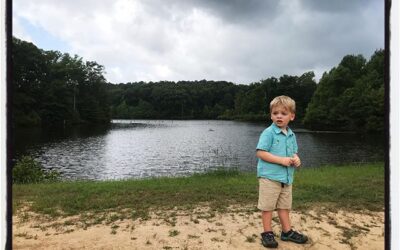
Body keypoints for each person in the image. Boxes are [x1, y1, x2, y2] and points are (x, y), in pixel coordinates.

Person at [256, 95, 308, 248]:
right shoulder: (268, 133)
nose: (279, 116)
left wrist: (296, 159)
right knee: (267, 208)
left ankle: (287, 232)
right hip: (269, 178)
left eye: (283, 113)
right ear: (271, 115)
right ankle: (267, 233)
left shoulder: (291, 135)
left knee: (284, 207)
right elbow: (260, 153)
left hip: (286, 179)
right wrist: (281, 160)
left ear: (291, 116)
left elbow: (293, 153)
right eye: (275, 113)